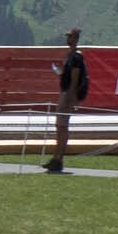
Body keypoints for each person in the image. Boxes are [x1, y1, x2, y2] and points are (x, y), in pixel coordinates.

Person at [46, 28, 88, 172]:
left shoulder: (76, 57)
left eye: (70, 36)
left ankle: (59, 159)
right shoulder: (70, 55)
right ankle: (56, 157)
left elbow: (75, 79)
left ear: (75, 39)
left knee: (62, 127)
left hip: (67, 95)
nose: (68, 38)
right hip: (64, 92)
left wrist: (70, 97)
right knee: (59, 126)